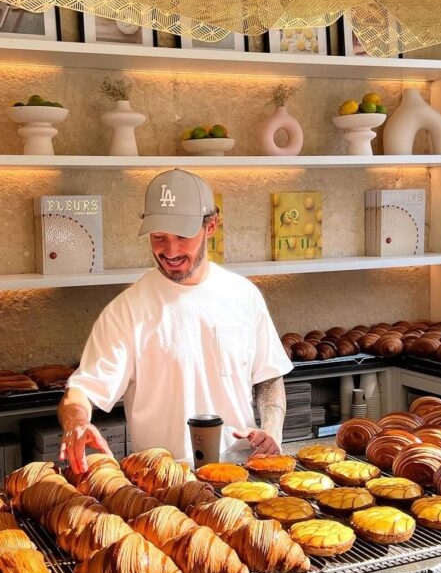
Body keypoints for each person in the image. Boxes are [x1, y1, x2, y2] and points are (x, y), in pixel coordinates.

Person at [57, 168, 292, 473]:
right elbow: (82, 391)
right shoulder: (127, 310)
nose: (170, 251)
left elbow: (269, 377)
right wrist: (76, 422)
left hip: (241, 475)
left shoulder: (243, 296)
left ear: (211, 225)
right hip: (163, 484)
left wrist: (272, 430)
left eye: (182, 236)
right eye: (159, 237)